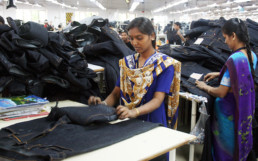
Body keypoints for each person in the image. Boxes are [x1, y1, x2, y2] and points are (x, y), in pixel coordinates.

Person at [88, 17, 181, 129]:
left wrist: (134, 112)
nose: (134, 43)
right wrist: (102, 105)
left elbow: (157, 100)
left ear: (152, 36)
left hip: (152, 122)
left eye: (139, 38)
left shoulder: (164, 65)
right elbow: (115, 94)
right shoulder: (127, 63)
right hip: (127, 121)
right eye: (131, 38)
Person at [195, 18, 257, 161]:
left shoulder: (234, 59)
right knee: (238, 146)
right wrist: (220, 73)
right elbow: (244, 75)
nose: (225, 42)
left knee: (225, 150)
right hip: (243, 112)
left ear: (233, 36)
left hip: (227, 115)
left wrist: (206, 87)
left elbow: (221, 92)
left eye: (225, 38)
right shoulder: (251, 55)